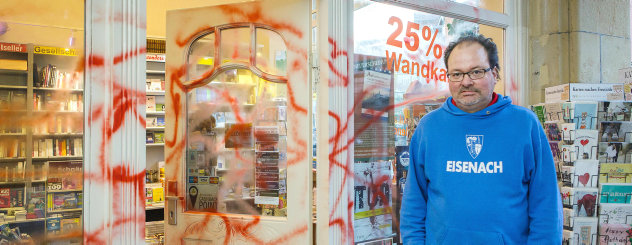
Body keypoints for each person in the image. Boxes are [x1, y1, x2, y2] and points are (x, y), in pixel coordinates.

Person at [400, 34, 562, 244]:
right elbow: (414, 205)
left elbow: (546, 208)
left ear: (494, 73)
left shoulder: (525, 125)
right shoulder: (428, 128)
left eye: (476, 71)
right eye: (456, 74)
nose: (466, 82)